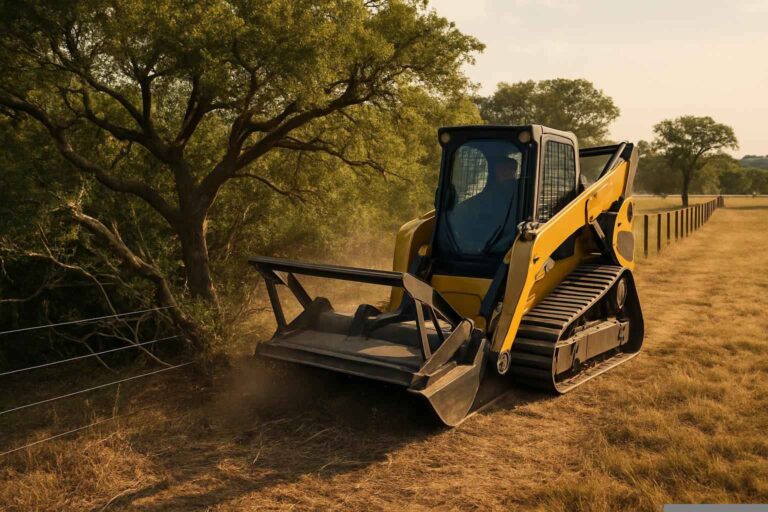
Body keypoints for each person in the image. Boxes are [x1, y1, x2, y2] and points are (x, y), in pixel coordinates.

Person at [445, 149, 521, 255]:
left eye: (507, 169)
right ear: (494, 171)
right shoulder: (493, 190)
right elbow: (478, 203)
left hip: (506, 238)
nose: (502, 172)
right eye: (499, 169)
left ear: (513, 171)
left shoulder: (517, 192)